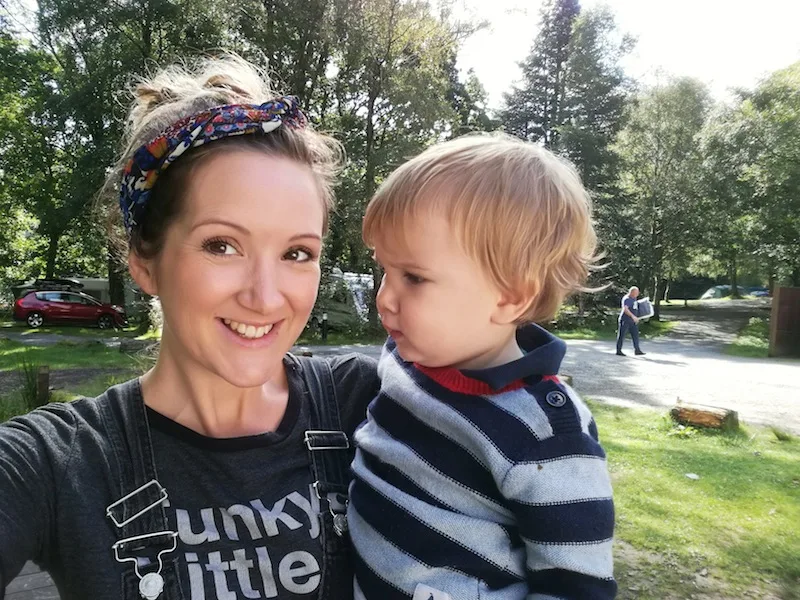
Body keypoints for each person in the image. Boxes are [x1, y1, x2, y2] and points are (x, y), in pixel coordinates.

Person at [0, 55, 379, 600]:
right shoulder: (61, 464)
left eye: (297, 252)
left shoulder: (369, 407)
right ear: (143, 261)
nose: (266, 296)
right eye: (221, 245)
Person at [348, 134, 617, 599]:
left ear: (510, 296)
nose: (384, 298)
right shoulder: (406, 363)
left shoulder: (547, 435)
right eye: (385, 271)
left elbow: (577, 585)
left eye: (413, 277)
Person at [616, 286, 646, 356]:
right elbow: (625, 309)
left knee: (635, 335)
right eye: (636, 292)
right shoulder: (627, 299)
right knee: (621, 335)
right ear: (632, 292)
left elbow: (635, 308)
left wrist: (637, 317)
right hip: (625, 320)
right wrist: (633, 316)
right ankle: (618, 350)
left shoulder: (634, 298)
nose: (638, 294)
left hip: (632, 321)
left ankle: (637, 350)